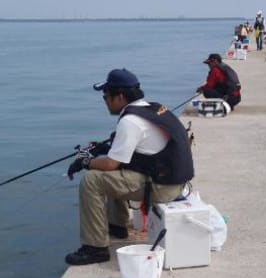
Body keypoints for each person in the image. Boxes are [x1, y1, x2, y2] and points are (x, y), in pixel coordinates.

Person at [65, 68, 194, 265]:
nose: (105, 100)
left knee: (92, 180)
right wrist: (101, 149)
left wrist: (86, 162)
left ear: (121, 96)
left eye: (107, 96)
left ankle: (95, 248)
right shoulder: (151, 108)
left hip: (162, 188)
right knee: (112, 171)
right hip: (172, 181)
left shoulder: (130, 121)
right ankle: (117, 226)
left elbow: (110, 164)